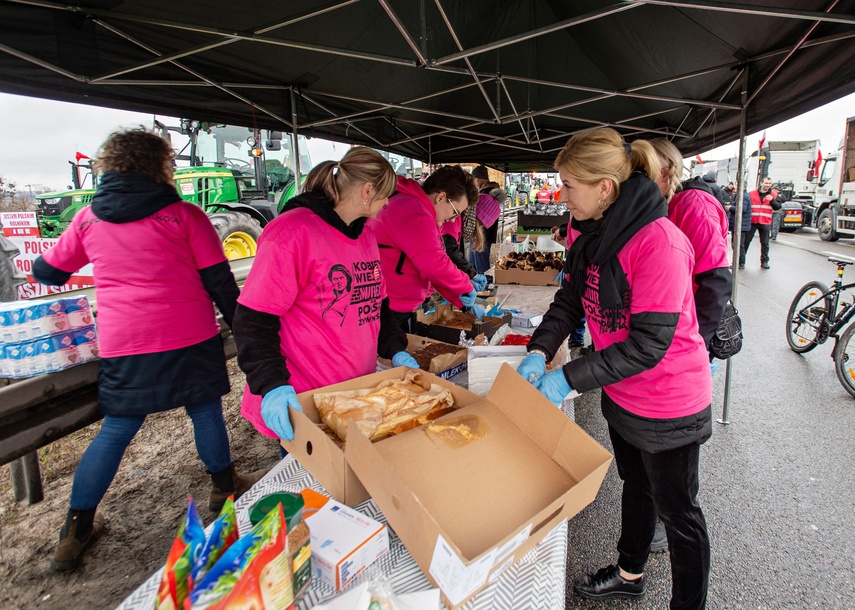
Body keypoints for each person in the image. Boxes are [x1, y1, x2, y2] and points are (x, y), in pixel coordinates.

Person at [32, 128, 267, 572]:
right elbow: (220, 284)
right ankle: (223, 487)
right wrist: (249, 332)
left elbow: (49, 272)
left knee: (118, 429)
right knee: (204, 412)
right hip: (190, 336)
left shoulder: (88, 219)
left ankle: (75, 529)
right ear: (162, 166)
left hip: (126, 345)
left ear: (109, 166)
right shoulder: (185, 216)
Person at [517, 128, 711, 609]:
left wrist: (567, 379)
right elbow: (568, 301)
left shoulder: (659, 243)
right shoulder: (591, 233)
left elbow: (648, 344)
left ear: (605, 187)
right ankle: (630, 573)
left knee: (680, 515)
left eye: (569, 186)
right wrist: (540, 351)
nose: (562, 197)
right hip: (622, 394)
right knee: (636, 486)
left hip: (669, 406)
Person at [233, 147, 416, 444]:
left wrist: (395, 347)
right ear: (367, 191)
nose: (387, 205)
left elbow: (376, 305)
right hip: (306, 401)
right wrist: (271, 385)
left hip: (354, 394)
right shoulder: (292, 232)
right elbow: (253, 320)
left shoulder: (366, 233)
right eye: (386, 196)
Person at [369, 165, 482, 333]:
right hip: (389, 308)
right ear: (441, 197)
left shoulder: (423, 211)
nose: (453, 220)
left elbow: (431, 266)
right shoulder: (414, 211)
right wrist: (465, 286)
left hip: (398, 306)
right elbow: (434, 265)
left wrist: (459, 299)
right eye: (455, 212)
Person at [469, 165, 506, 274]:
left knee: (480, 264)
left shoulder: (485, 194)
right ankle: (476, 285)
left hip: (481, 233)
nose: (474, 182)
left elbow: (477, 214)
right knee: (475, 262)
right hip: (483, 233)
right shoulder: (490, 193)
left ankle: (484, 285)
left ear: (480, 178)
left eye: (474, 179)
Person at [740, 176, 779, 270]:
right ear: (761, 183)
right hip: (752, 221)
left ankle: (764, 261)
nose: (768, 185)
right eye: (766, 183)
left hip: (765, 221)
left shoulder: (773, 194)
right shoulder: (752, 193)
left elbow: (778, 207)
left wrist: (772, 200)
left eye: (769, 184)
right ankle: (741, 262)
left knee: (765, 243)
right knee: (746, 242)